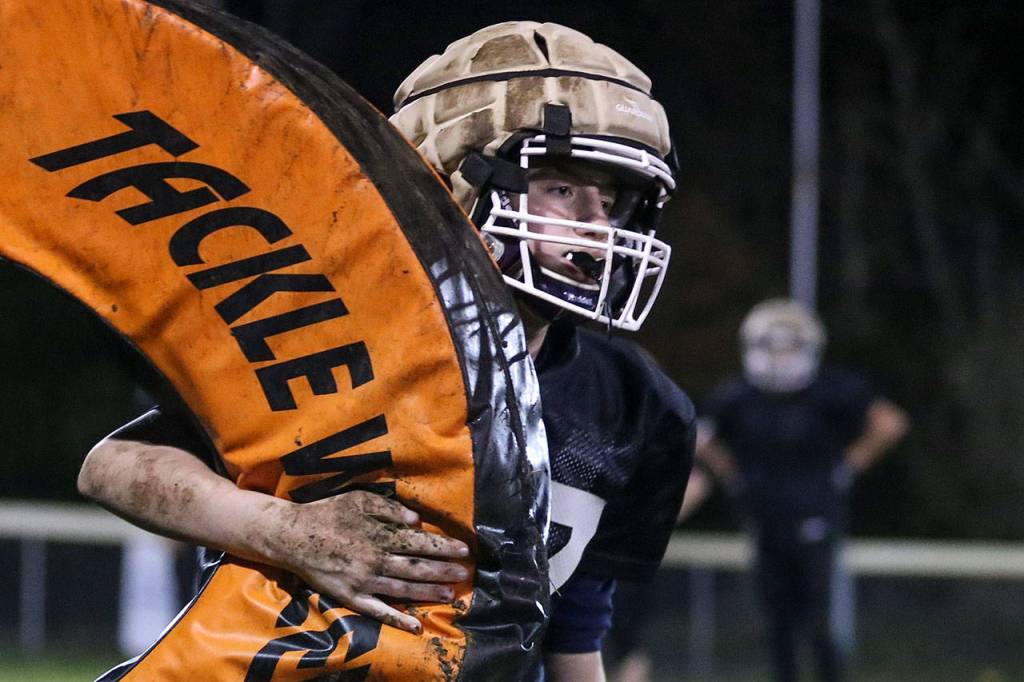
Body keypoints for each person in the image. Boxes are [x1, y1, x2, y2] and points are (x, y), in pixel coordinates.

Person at [79, 21, 694, 681]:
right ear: (449, 178)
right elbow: (113, 465)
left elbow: (573, 624)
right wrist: (286, 532)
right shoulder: (331, 331)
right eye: (562, 188)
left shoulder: (635, 404)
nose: (597, 227)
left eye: (613, 200)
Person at [696, 298, 908, 682]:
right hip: (763, 522)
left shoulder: (831, 389)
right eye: (771, 347)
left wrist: (850, 463)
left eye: (788, 347)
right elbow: (699, 436)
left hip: (814, 520)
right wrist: (731, 473)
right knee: (777, 624)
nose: (779, 357)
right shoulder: (736, 395)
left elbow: (890, 421)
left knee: (817, 620)